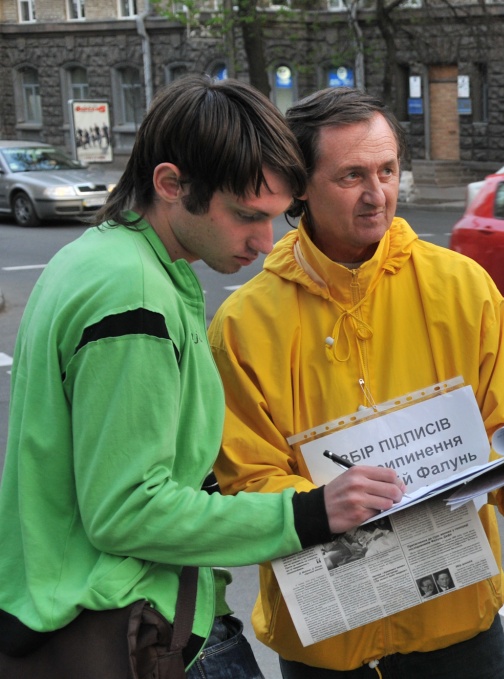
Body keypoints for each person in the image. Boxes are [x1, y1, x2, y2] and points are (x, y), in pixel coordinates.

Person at [0, 75, 399, 677]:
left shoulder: (101, 257)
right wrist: (306, 515)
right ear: (171, 184)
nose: (265, 243)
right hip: (133, 617)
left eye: (274, 217)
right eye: (245, 215)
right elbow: (126, 510)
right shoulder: (133, 299)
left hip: (103, 602)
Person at [207, 86, 504, 678]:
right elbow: (242, 477)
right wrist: (320, 506)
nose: (377, 195)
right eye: (352, 175)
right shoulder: (245, 324)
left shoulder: (461, 286)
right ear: (301, 186)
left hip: (457, 633)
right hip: (326, 644)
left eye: (387, 170)